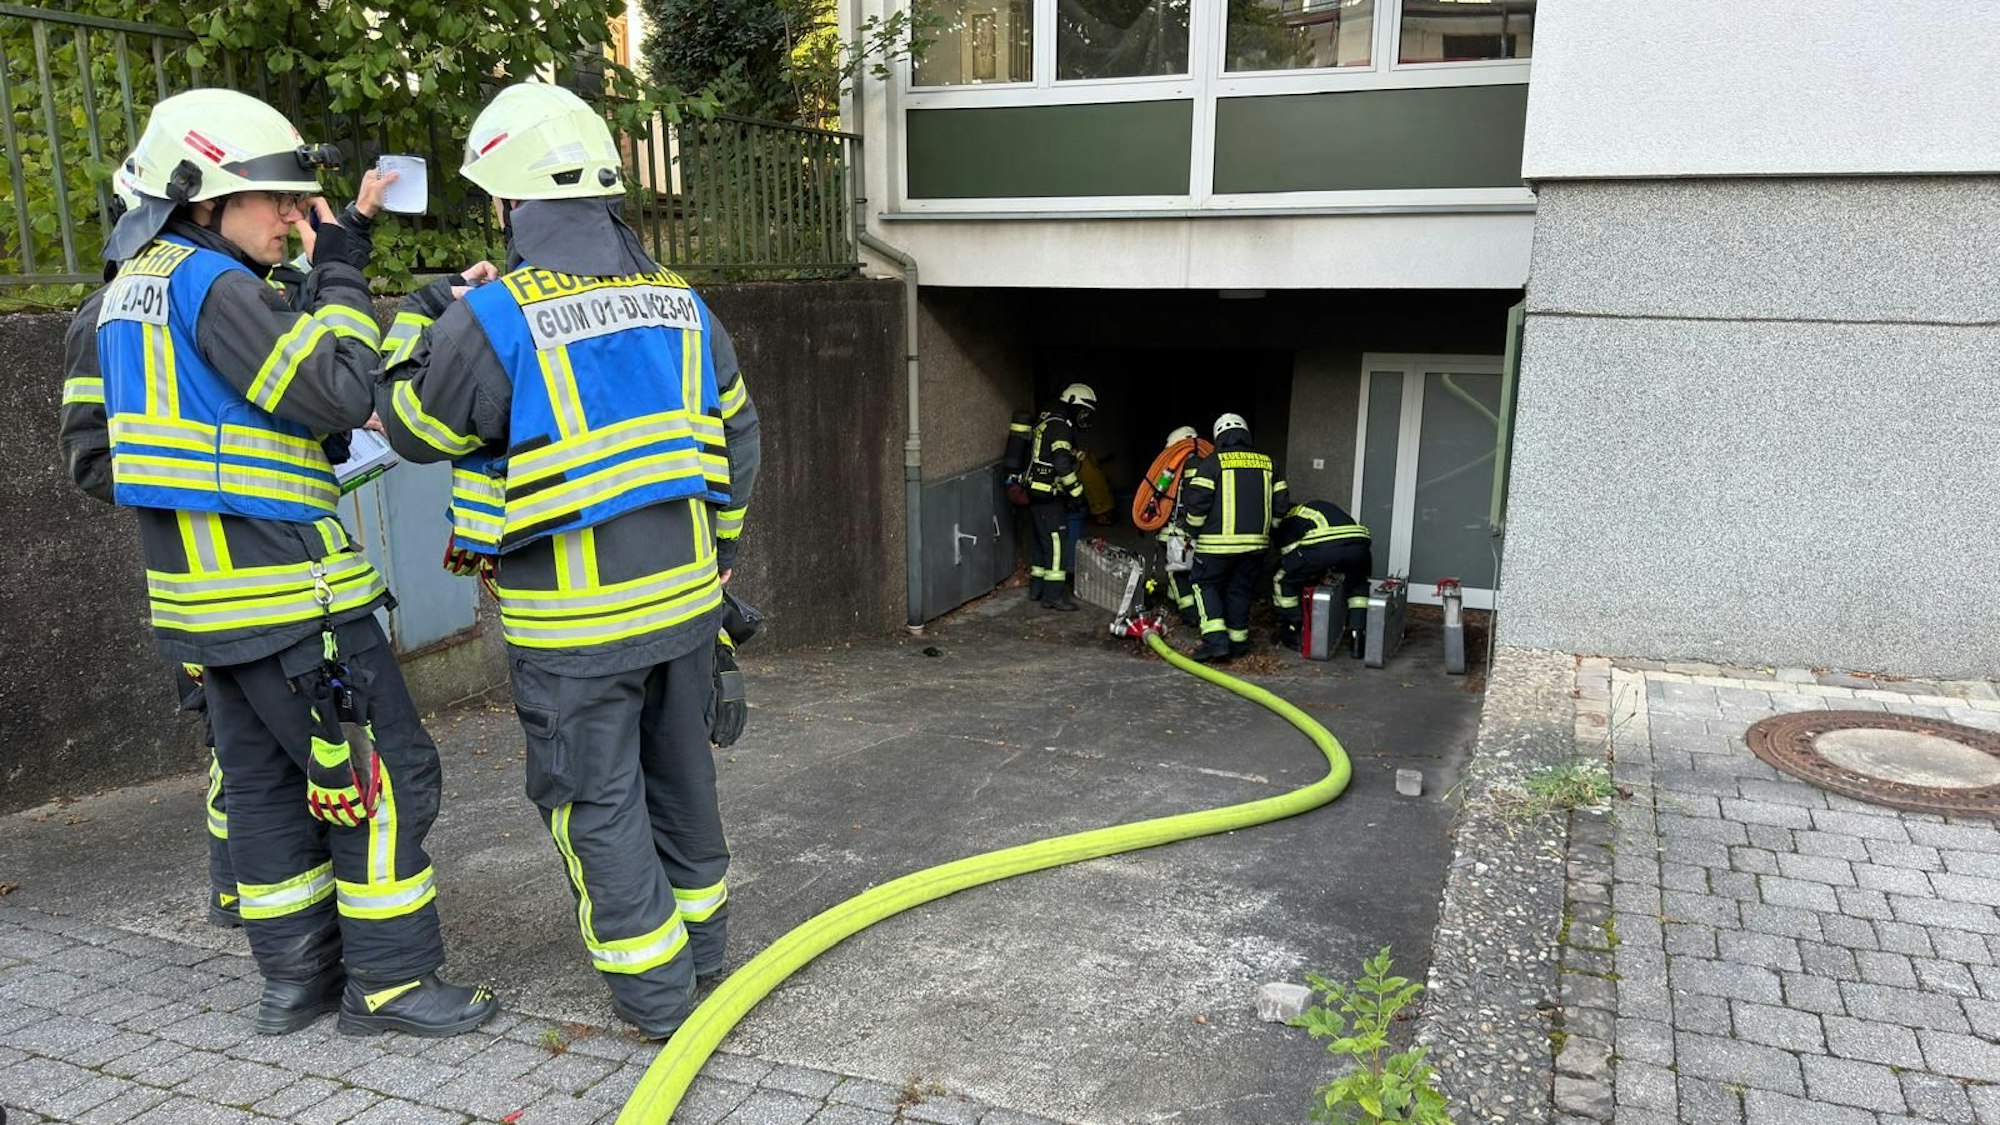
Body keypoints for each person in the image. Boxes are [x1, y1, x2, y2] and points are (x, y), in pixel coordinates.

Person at [63, 89, 495, 1038]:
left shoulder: (123, 295)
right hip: (296, 598)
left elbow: (109, 455)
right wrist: (340, 264)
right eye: (277, 202)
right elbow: (341, 388)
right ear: (203, 198)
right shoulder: (212, 288)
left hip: (205, 608)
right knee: (387, 781)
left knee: (263, 790)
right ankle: (390, 984)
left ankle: (294, 985)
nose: (296, 217)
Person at [374, 81, 761, 1039]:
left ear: (509, 204)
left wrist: (419, 318)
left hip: (574, 630)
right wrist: (718, 558)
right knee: (681, 778)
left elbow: (412, 428)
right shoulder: (679, 302)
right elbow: (740, 434)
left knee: (596, 801)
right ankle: (704, 959)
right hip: (683, 607)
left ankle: (657, 997)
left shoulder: (496, 316)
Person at [1179, 413, 1288, 663]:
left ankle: (1215, 642)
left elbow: (1197, 504)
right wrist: (1269, 530)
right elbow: (1281, 503)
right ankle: (1238, 644)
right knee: (1240, 590)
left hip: (1216, 546)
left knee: (1204, 585)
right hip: (1256, 547)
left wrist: (1192, 532)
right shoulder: (1269, 463)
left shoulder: (1212, 463)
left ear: (1218, 437)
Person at [1022, 383, 1096, 611]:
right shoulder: (1061, 427)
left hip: (1035, 491)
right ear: (1073, 405)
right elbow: (1062, 464)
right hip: (1048, 494)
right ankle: (1053, 596)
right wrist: (1077, 494)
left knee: (1041, 541)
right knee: (1056, 543)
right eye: (1084, 411)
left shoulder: (1047, 420)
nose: (1085, 417)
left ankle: (1037, 588)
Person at [1271, 500, 1372, 656]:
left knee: (1283, 579)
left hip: (1326, 548)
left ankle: (1294, 629)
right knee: (1357, 584)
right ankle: (1358, 635)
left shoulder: (1289, 519)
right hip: (1360, 546)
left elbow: (1290, 559)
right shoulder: (1314, 509)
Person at [1153, 425, 1204, 627]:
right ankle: (1175, 602)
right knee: (1188, 568)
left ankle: (1189, 611)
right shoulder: (1208, 466)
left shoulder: (1174, 469)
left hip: (1177, 532)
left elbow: (1157, 494)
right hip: (1199, 531)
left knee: (1178, 570)